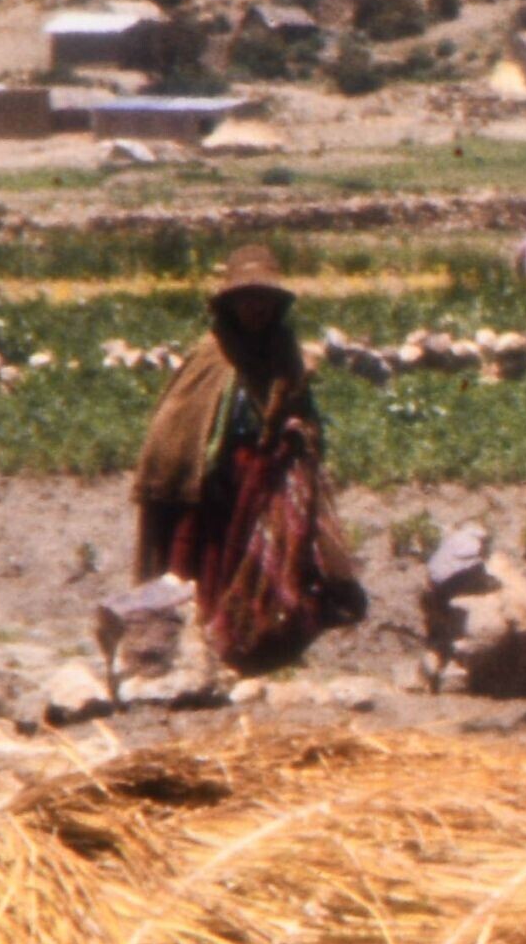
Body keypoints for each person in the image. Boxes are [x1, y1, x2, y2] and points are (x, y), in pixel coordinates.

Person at [131, 268, 357, 670]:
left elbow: (303, 413)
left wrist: (295, 432)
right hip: (209, 483)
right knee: (202, 560)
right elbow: (180, 426)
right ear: (230, 305)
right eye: (246, 298)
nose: (256, 308)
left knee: (257, 561)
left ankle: (250, 640)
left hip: (262, 480)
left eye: (264, 298)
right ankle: (194, 645)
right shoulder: (212, 355)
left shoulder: (284, 352)